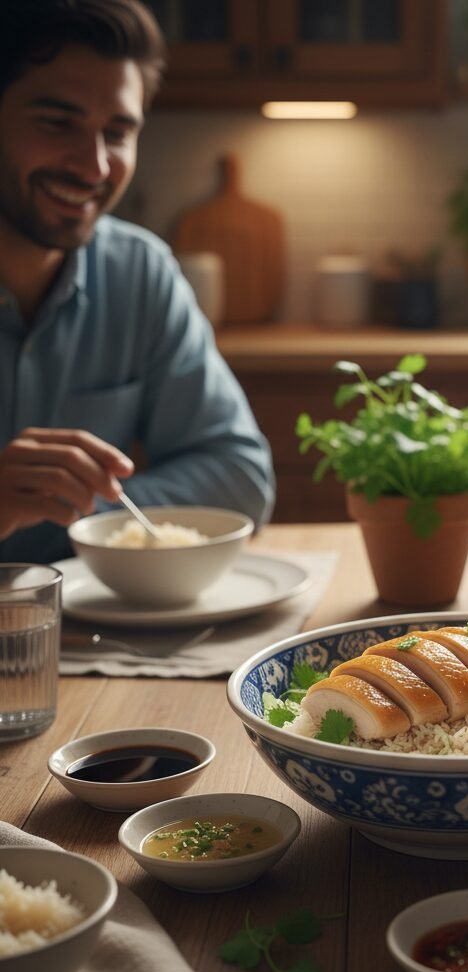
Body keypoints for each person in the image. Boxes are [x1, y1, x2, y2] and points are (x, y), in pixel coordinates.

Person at [0, 0, 275, 564]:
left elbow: (240, 476)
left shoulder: (139, 273)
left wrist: (82, 520)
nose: (95, 166)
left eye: (118, 133)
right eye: (58, 123)